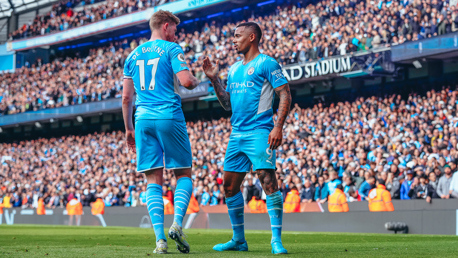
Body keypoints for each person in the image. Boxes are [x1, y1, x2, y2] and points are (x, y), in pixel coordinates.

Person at [202, 22, 291, 254]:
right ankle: (239, 240)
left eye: (237, 36)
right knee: (230, 188)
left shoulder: (267, 63)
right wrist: (214, 79)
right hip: (236, 134)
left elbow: (285, 94)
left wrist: (278, 127)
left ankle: (276, 240)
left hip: (260, 132)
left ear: (252, 37)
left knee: (268, 182)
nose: (233, 40)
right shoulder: (233, 69)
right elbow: (227, 104)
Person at [122, 10, 200, 254]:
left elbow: (126, 98)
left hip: (142, 119)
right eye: (174, 30)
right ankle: (176, 224)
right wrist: (198, 79)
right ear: (165, 26)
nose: (176, 35)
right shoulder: (171, 49)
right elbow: (186, 81)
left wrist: (128, 129)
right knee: (183, 172)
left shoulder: (132, 56)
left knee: (153, 180)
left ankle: (160, 241)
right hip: (168, 115)